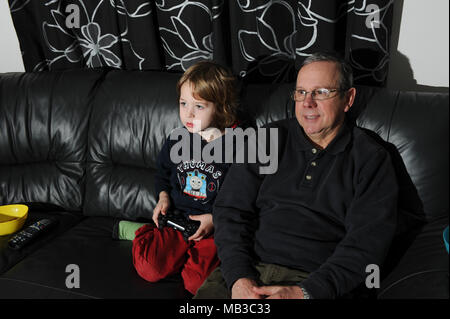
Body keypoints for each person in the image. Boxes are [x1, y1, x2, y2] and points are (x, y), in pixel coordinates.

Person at [194, 52, 399, 299]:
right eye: (301, 92)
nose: (307, 103)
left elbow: (367, 246)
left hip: (315, 282)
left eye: (321, 92)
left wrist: (304, 293)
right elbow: (230, 210)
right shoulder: (266, 140)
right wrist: (239, 277)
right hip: (246, 272)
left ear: (348, 98)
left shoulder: (371, 158)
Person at [115, 61, 240, 295]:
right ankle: (143, 232)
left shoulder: (237, 145)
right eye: (183, 104)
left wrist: (215, 218)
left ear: (221, 107)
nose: (188, 113)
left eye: (199, 106)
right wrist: (163, 197)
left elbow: (243, 196)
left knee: (197, 283)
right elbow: (162, 175)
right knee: (149, 268)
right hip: (176, 220)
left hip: (213, 228)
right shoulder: (177, 139)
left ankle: (186, 258)